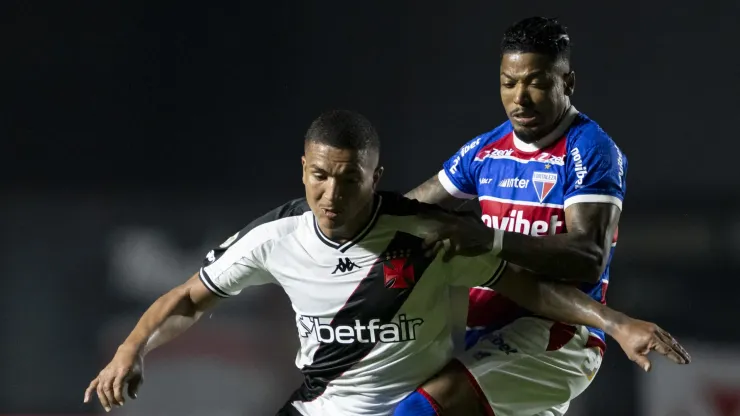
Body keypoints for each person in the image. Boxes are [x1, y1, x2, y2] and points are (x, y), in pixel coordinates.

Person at [82, 110, 687, 416]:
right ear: (303, 170)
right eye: (319, 177)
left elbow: (531, 290)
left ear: (376, 177)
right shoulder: (275, 236)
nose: (332, 194)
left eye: (349, 180)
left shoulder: (424, 235)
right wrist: (130, 350)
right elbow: (188, 297)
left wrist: (615, 323)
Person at [400, 16, 651, 416]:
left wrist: (490, 239)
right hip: (483, 333)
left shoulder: (589, 149)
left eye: (535, 82)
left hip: (557, 336)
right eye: (508, 82)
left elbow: (588, 257)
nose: (520, 97)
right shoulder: (487, 150)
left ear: (566, 83)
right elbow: (407, 211)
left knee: (418, 411)